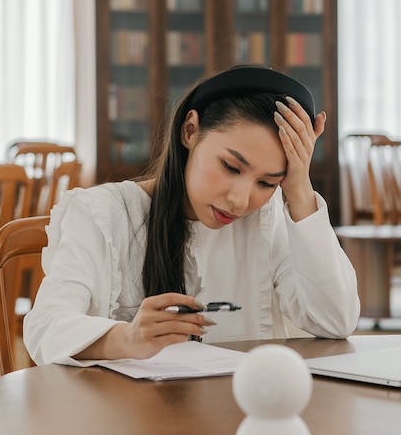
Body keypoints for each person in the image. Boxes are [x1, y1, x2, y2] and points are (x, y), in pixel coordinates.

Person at [24, 66, 359, 365]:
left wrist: (299, 189)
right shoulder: (102, 213)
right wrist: (128, 338)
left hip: (240, 409)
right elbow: (45, 328)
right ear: (190, 130)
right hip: (125, 413)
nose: (240, 200)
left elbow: (336, 321)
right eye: (231, 167)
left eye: (267, 183)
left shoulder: (266, 221)